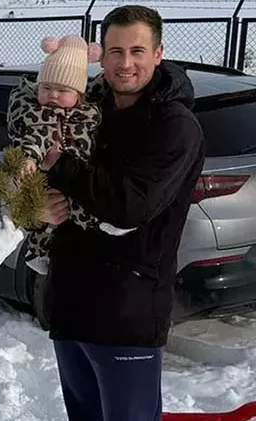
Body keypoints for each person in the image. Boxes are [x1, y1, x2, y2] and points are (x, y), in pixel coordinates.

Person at [38, 5, 205, 421]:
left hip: (126, 313)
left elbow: (132, 204)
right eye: (115, 51)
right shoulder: (81, 110)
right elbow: (24, 170)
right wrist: (35, 206)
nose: (125, 63)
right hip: (70, 305)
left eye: (137, 50)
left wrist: (61, 167)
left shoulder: (173, 126)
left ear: (158, 53)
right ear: (101, 54)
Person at [8, 34, 134, 275]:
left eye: (62, 89)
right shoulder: (38, 116)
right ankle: (39, 252)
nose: (53, 95)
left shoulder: (88, 111)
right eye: (46, 88)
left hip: (81, 179)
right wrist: (30, 159)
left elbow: (101, 84)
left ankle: (100, 222)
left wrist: (111, 72)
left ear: (79, 95)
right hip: (52, 184)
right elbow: (35, 140)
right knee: (57, 214)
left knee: (75, 206)